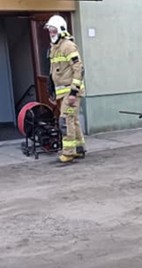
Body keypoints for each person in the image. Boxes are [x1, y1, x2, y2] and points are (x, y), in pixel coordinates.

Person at [45, 15, 85, 163]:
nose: (51, 33)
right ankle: (79, 148)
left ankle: (68, 153)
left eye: (53, 30)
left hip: (71, 91)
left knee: (65, 120)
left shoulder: (67, 46)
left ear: (61, 30)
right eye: (50, 30)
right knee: (73, 120)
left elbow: (78, 69)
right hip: (63, 92)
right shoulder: (54, 48)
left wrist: (74, 92)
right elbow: (53, 71)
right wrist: (52, 91)